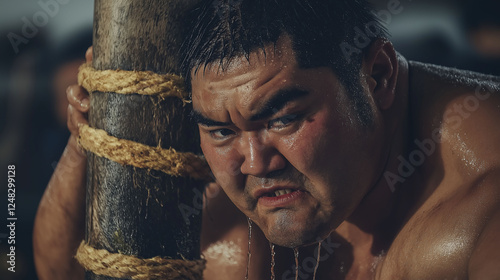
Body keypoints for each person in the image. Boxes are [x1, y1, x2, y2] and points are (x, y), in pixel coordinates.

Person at [34, 0, 500, 279]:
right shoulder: (240, 228)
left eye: (283, 120)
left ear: (377, 76)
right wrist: (90, 138)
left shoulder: (483, 206)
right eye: (221, 130)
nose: (255, 163)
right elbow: (69, 273)